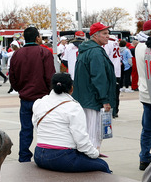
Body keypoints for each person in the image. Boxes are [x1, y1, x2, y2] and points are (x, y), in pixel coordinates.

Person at [32, 72, 111, 173]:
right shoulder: (74, 107)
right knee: (102, 165)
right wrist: (95, 153)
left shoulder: (39, 103)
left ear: (52, 87)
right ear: (71, 89)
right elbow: (81, 140)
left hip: (39, 155)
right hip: (62, 157)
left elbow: (37, 128)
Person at [8, 26, 55, 162]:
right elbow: (49, 76)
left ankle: (24, 156)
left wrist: (19, 88)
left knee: (26, 129)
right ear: (37, 38)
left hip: (25, 97)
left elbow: (13, 76)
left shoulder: (17, 54)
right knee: (45, 128)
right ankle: (45, 154)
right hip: (42, 97)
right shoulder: (44, 53)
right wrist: (50, 92)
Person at [71, 22, 117, 150]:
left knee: (87, 132)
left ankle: (89, 157)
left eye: (108, 33)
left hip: (86, 98)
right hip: (93, 99)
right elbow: (99, 78)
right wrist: (105, 100)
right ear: (95, 36)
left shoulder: (86, 50)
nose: (108, 36)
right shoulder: (95, 52)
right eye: (105, 33)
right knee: (94, 134)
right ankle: (91, 159)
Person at [135, 19, 151, 170]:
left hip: (144, 90)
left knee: (147, 128)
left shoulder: (139, 45)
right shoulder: (149, 47)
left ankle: (144, 158)